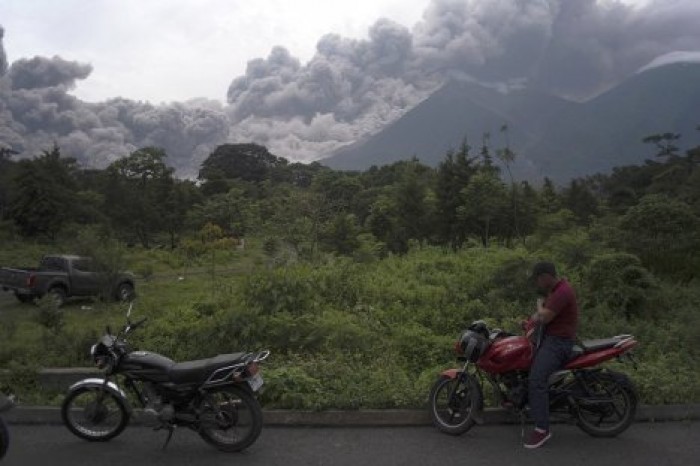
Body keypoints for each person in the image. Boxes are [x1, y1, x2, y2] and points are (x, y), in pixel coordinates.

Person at [523, 261, 578, 449]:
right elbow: (541, 316)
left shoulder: (562, 292)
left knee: (536, 380)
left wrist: (539, 306)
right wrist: (530, 321)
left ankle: (542, 430)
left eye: (538, 279)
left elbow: (545, 316)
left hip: (558, 343)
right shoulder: (557, 291)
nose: (537, 283)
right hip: (552, 339)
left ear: (546, 276)